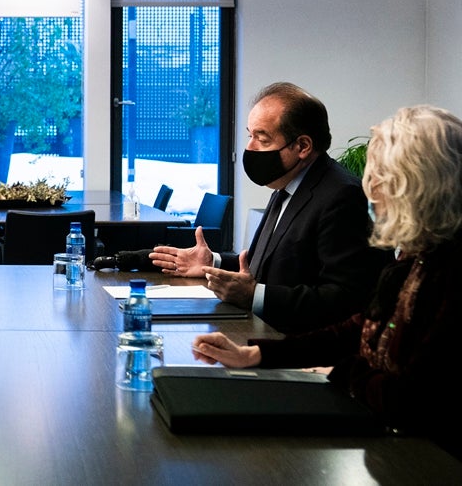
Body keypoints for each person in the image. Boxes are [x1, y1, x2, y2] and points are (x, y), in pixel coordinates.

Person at [191, 105, 462, 459]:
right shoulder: (415, 255)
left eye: (383, 175)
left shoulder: (449, 270)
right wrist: (257, 353)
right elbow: (361, 327)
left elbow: (410, 399)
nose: (372, 187)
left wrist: (338, 371)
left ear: (421, 186)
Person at [149, 82, 390, 331]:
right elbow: (268, 267)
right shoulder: (287, 185)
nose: (250, 148)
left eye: (262, 139)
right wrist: (214, 262)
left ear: (303, 146)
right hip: (264, 335)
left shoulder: (342, 196)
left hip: (303, 352)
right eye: (250, 135)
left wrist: (255, 296)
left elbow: (346, 298)